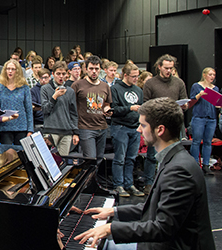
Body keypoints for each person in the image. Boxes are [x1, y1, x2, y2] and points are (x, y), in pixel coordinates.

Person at [74, 97, 215, 250]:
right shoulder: (173, 158)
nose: (138, 130)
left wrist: (110, 229)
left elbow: (162, 228)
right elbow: (153, 208)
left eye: (143, 125)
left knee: (106, 246)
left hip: (174, 246)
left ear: (160, 130)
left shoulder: (179, 170)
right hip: (169, 242)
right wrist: (113, 211)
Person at [141, 54, 188, 194]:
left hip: (174, 123)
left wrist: (184, 105)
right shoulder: (151, 83)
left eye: (171, 68)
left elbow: (184, 100)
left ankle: (173, 181)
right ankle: (149, 183)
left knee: (174, 154)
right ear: (159, 67)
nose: (169, 71)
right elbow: (145, 103)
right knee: (151, 155)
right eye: (166, 68)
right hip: (156, 124)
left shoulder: (179, 83)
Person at [110, 63, 145, 197]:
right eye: (133, 76)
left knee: (131, 158)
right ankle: (118, 184)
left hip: (135, 127)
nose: (136, 79)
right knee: (120, 158)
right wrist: (129, 108)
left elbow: (141, 109)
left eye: (137, 76)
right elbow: (114, 110)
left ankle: (129, 184)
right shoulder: (115, 89)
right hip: (120, 127)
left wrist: (141, 124)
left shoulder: (138, 90)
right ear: (125, 75)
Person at [71, 55, 112, 164]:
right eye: (91, 69)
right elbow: (71, 108)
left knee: (99, 159)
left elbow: (106, 103)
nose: (94, 71)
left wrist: (108, 110)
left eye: (96, 69)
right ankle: (88, 181)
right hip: (85, 127)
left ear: (100, 69)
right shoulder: (77, 85)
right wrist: (74, 131)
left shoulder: (105, 86)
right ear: (86, 69)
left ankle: (94, 180)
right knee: (90, 159)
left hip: (102, 127)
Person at [41, 61, 79, 157]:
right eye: (58, 74)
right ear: (53, 74)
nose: (61, 76)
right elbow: (45, 109)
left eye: (63, 74)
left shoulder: (70, 91)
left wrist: (75, 132)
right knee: (49, 161)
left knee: (63, 162)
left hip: (66, 131)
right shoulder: (45, 88)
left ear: (66, 74)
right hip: (51, 130)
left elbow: (73, 113)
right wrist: (54, 97)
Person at [0, 60, 33, 145]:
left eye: (13, 69)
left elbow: (29, 109)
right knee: (6, 155)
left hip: (21, 127)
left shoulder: (24, 87)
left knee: (20, 154)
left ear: (17, 71)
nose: (10, 71)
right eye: (8, 69)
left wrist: (30, 130)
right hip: (5, 127)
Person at [190, 67, 218, 175]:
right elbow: (192, 101)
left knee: (208, 142)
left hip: (211, 118)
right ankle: (195, 164)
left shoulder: (215, 88)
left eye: (214, 75)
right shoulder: (197, 86)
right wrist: (199, 94)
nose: (212, 77)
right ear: (205, 75)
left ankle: (206, 165)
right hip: (199, 117)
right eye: (210, 74)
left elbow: (215, 103)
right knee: (196, 141)